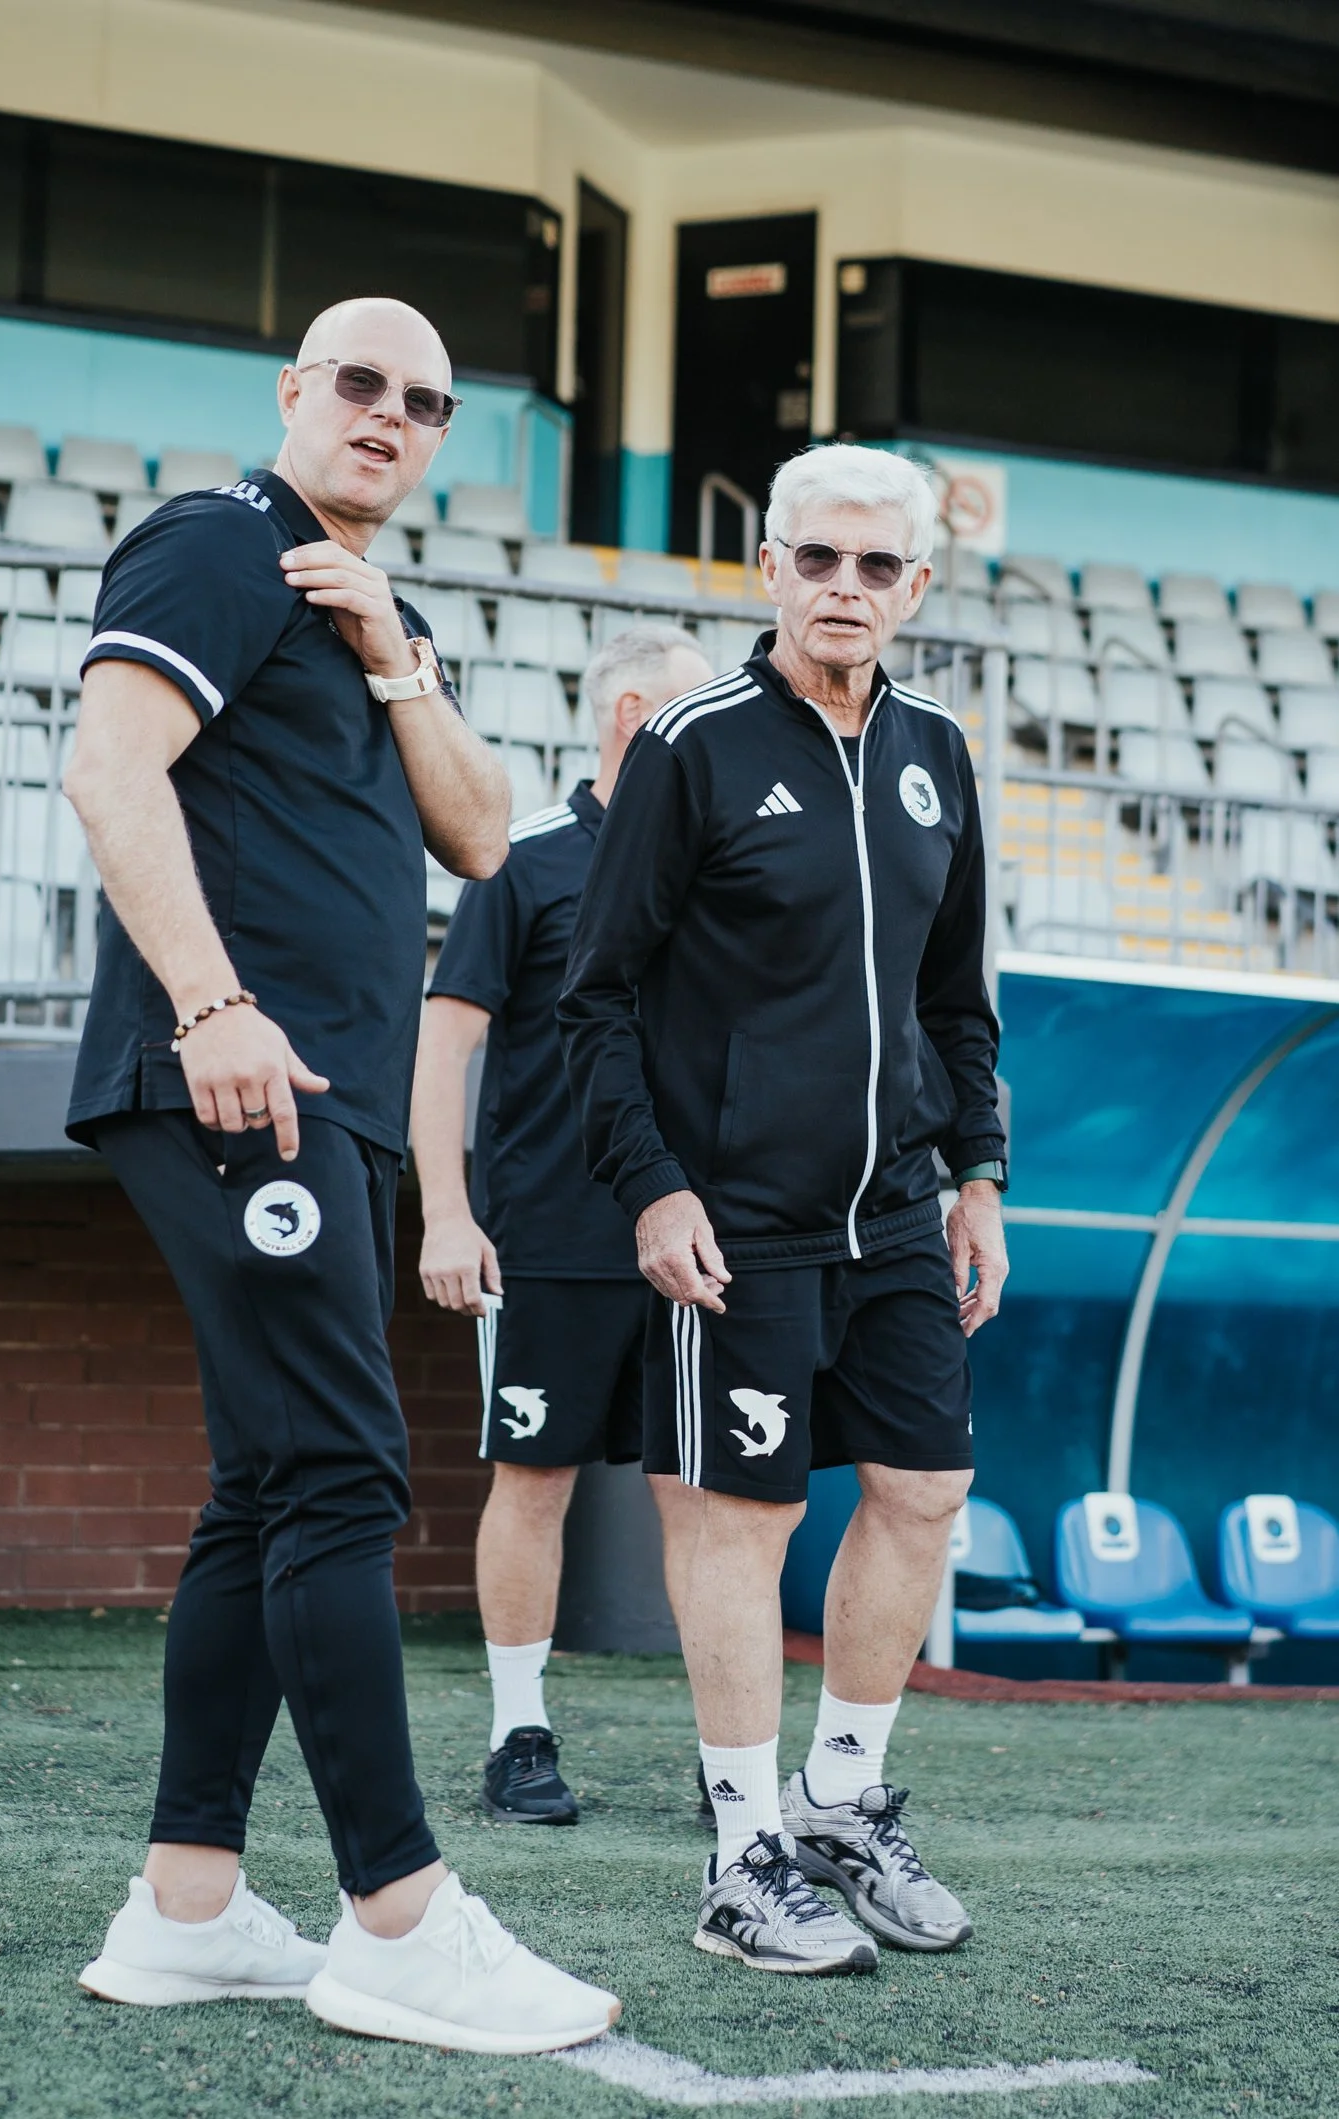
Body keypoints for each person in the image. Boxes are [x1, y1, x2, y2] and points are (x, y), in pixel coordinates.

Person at [63, 296, 619, 2052]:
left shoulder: (363, 598)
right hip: (244, 1070)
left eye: (427, 401)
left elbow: (478, 828)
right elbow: (105, 761)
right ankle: (397, 1911)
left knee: (266, 1486)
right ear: (295, 392)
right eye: (359, 383)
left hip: (329, 1099)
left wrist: (396, 650)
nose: (390, 414)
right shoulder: (223, 542)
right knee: (342, 1473)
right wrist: (213, 1001)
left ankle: (190, 1903)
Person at [560, 443, 1009, 1976]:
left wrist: (977, 1175)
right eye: (815, 559)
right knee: (740, 1520)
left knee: (922, 1492)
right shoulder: (689, 745)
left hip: (894, 1208)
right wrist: (652, 1184)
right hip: (731, 1216)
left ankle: (837, 1799)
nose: (842, 588)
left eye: (874, 567)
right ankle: (740, 1850)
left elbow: (958, 998)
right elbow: (597, 995)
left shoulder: (937, 752)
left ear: (914, 586)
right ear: (767, 567)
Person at [410, 626, 714, 1826]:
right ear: (633, 715)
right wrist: (446, 1211)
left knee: (704, 1499)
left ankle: (726, 1749)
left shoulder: (717, 862)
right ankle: (516, 1735)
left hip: (697, 1240)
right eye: (697, 716)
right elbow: (444, 1044)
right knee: (531, 1481)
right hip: (548, 1237)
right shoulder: (522, 858)